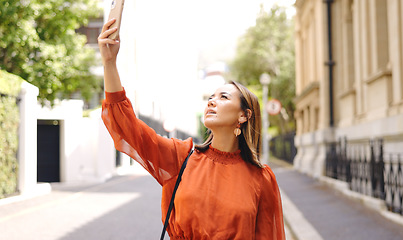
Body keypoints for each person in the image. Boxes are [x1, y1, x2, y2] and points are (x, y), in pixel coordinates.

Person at [98, 18, 285, 239]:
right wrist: (109, 62)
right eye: (210, 97)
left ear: (244, 115)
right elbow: (128, 127)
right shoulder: (181, 157)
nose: (212, 102)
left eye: (223, 97)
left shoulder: (261, 178)